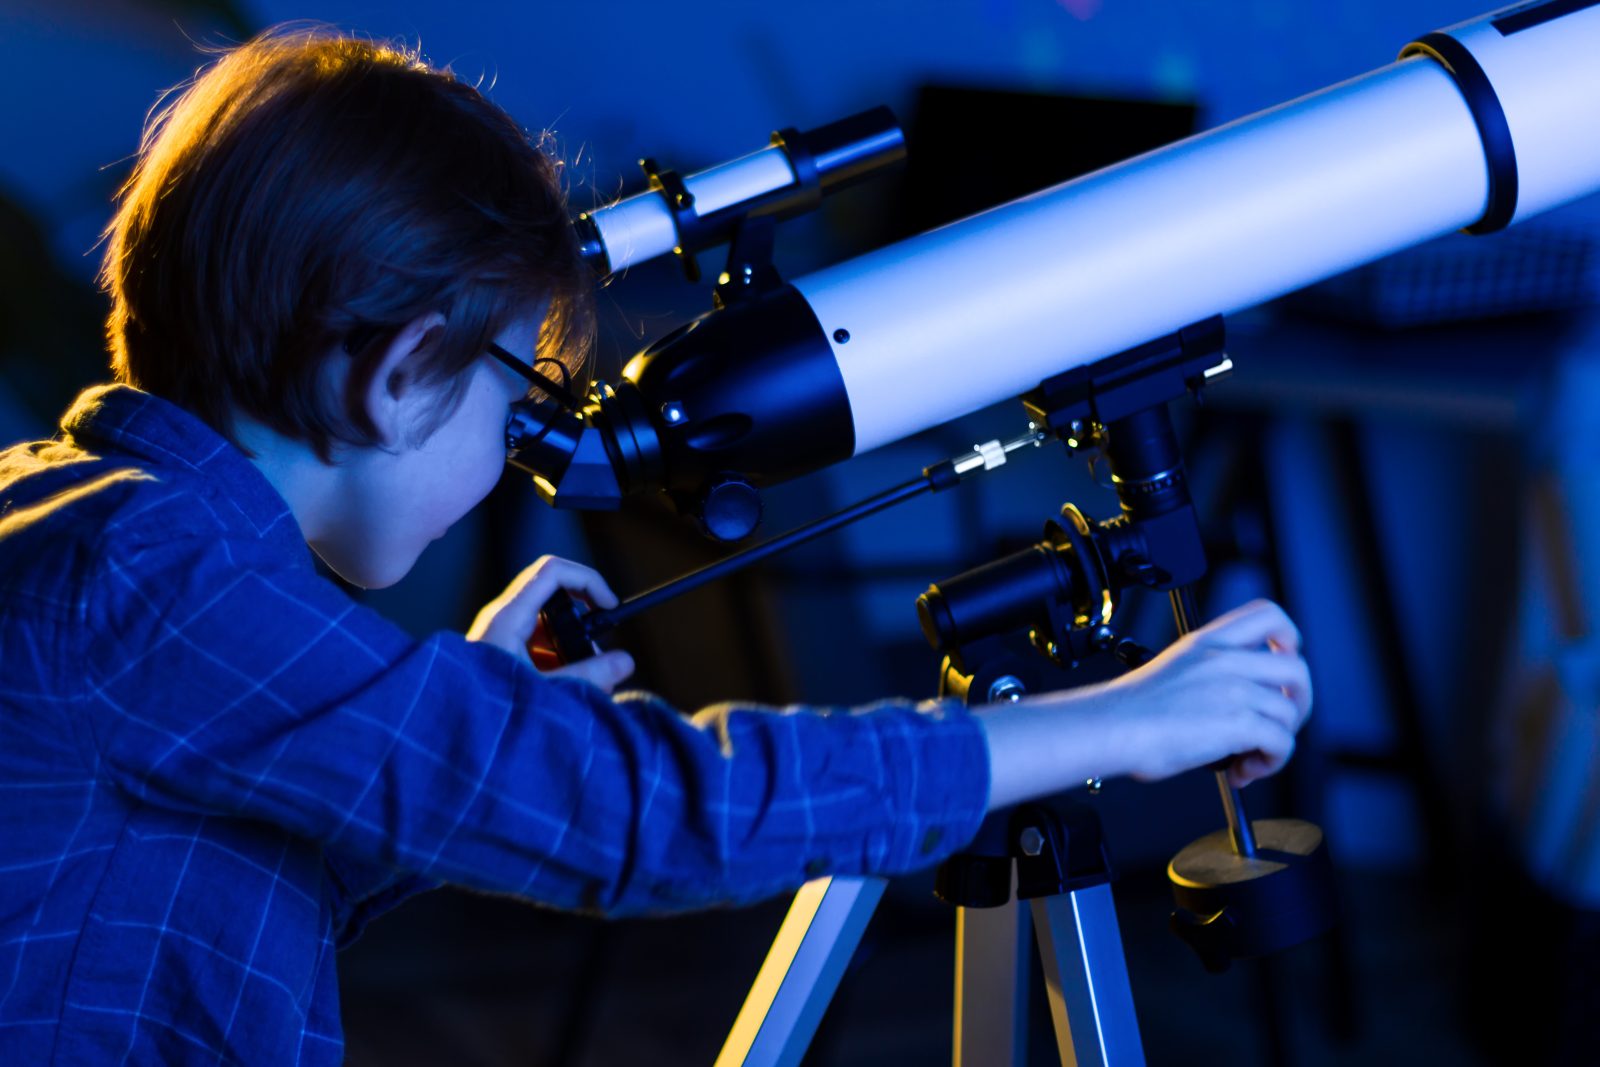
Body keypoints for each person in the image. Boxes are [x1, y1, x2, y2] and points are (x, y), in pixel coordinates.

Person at [0, 28, 1312, 1064]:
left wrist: (467, 708)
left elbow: (213, 878)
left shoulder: (88, 525)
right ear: (400, 377)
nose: (525, 448)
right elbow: (641, 813)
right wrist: (1117, 724)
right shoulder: (145, 580)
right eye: (518, 400)